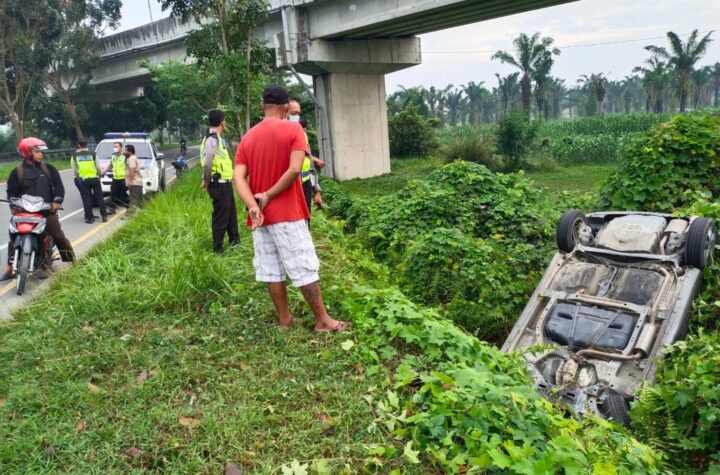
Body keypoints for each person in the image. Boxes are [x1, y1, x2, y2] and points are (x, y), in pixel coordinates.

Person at [233, 85, 349, 333]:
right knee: (303, 265)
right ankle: (323, 321)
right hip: (287, 213)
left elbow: (238, 177)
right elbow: (295, 169)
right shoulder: (294, 129)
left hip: (260, 218)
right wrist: (268, 195)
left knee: (271, 268)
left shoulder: (248, 137)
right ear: (286, 107)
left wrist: (253, 205)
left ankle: (284, 320)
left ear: (262, 106)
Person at [1, 137, 75, 281]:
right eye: (37, 151)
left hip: (46, 211)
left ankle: (72, 262)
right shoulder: (17, 172)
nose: (41, 154)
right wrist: (13, 205)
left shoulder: (49, 169)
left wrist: (57, 201)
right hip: (24, 212)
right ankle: (10, 268)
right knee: (14, 236)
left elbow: (59, 187)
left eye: (41, 152)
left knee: (58, 235)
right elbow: (11, 193)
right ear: (27, 153)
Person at [201, 109, 240, 254]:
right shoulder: (212, 139)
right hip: (219, 184)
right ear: (222, 121)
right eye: (225, 120)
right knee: (221, 216)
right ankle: (217, 248)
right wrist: (206, 180)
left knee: (231, 214)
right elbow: (208, 162)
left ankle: (235, 241)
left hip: (226, 183)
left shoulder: (217, 137)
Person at [286, 99, 325, 218]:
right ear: (283, 112)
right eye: (293, 113)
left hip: (304, 185)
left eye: (298, 114)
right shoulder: (277, 136)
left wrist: (316, 191)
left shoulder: (302, 135)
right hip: (287, 187)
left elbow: (309, 164)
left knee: (306, 220)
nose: (296, 117)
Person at [72, 139, 108, 223]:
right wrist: (99, 174)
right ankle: (104, 216)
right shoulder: (93, 154)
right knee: (99, 197)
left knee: (87, 199)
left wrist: (78, 177)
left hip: (84, 179)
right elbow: (98, 167)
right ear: (87, 144)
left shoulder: (75, 156)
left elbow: (75, 170)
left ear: (79, 145)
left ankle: (89, 218)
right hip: (94, 178)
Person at [103, 142, 129, 210]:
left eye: (116, 146)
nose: (115, 148)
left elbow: (128, 167)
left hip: (123, 179)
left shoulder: (125, 157)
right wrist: (104, 171)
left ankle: (128, 208)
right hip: (115, 179)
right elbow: (111, 165)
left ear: (121, 148)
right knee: (113, 194)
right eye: (114, 147)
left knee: (123, 195)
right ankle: (112, 209)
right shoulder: (113, 156)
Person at [124, 144, 144, 212]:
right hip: (136, 182)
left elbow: (132, 170)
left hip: (134, 182)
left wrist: (130, 181)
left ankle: (131, 214)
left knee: (133, 200)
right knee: (138, 201)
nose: (124, 152)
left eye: (126, 150)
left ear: (130, 151)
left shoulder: (131, 158)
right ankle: (140, 214)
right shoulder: (133, 158)